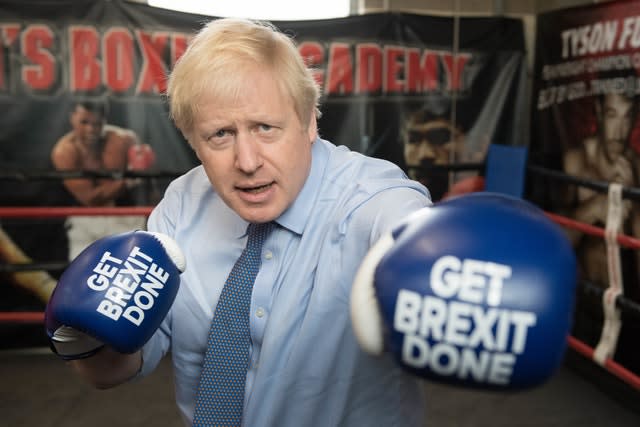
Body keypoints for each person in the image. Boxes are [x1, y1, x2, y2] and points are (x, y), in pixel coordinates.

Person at [64, 18, 432, 426]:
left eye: (266, 128)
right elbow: (117, 368)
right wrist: (88, 343)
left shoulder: (367, 196)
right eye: (220, 134)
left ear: (309, 120)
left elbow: (406, 222)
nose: (248, 161)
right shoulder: (181, 206)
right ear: (193, 140)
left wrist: (435, 256)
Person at [50, 100, 156, 259]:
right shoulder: (65, 151)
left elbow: (149, 184)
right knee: (83, 274)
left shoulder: (124, 140)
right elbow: (90, 199)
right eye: (84, 122)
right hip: (87, 220)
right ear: (72, 118)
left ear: (105, 120)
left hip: (125, 216)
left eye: (97, 123)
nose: (91, 129)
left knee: (132, 270)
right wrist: (130, 179)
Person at [562, 91, 640, 287]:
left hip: (624, 299)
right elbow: (554, 243)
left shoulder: (637, 167)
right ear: (599, 112)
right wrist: (594, 208)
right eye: (612, 115)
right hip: (582, 293)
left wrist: (634, 201)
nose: (619, 132)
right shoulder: (576, 162)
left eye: (627, 116)